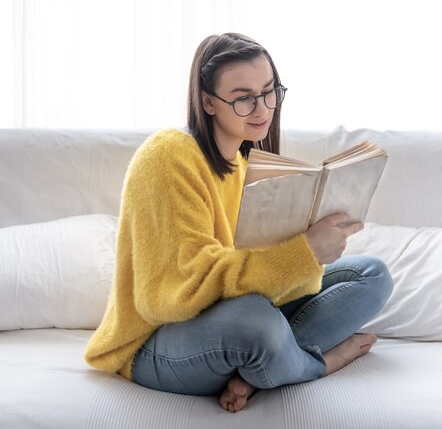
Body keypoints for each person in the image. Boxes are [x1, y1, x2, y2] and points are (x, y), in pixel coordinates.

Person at [84, 32, 393, 413]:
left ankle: (259, 369)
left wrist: (313, 249)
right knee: (255, 323)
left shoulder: (246, 165)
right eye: (244, 98)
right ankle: (313, 364)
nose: (263, 108)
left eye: (269, 91)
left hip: (228, 314)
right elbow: (181, 291)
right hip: (155, 340)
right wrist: (303, 253)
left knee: (372, 274)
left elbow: (259, 279)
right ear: (208, 102)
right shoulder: (168, 157)